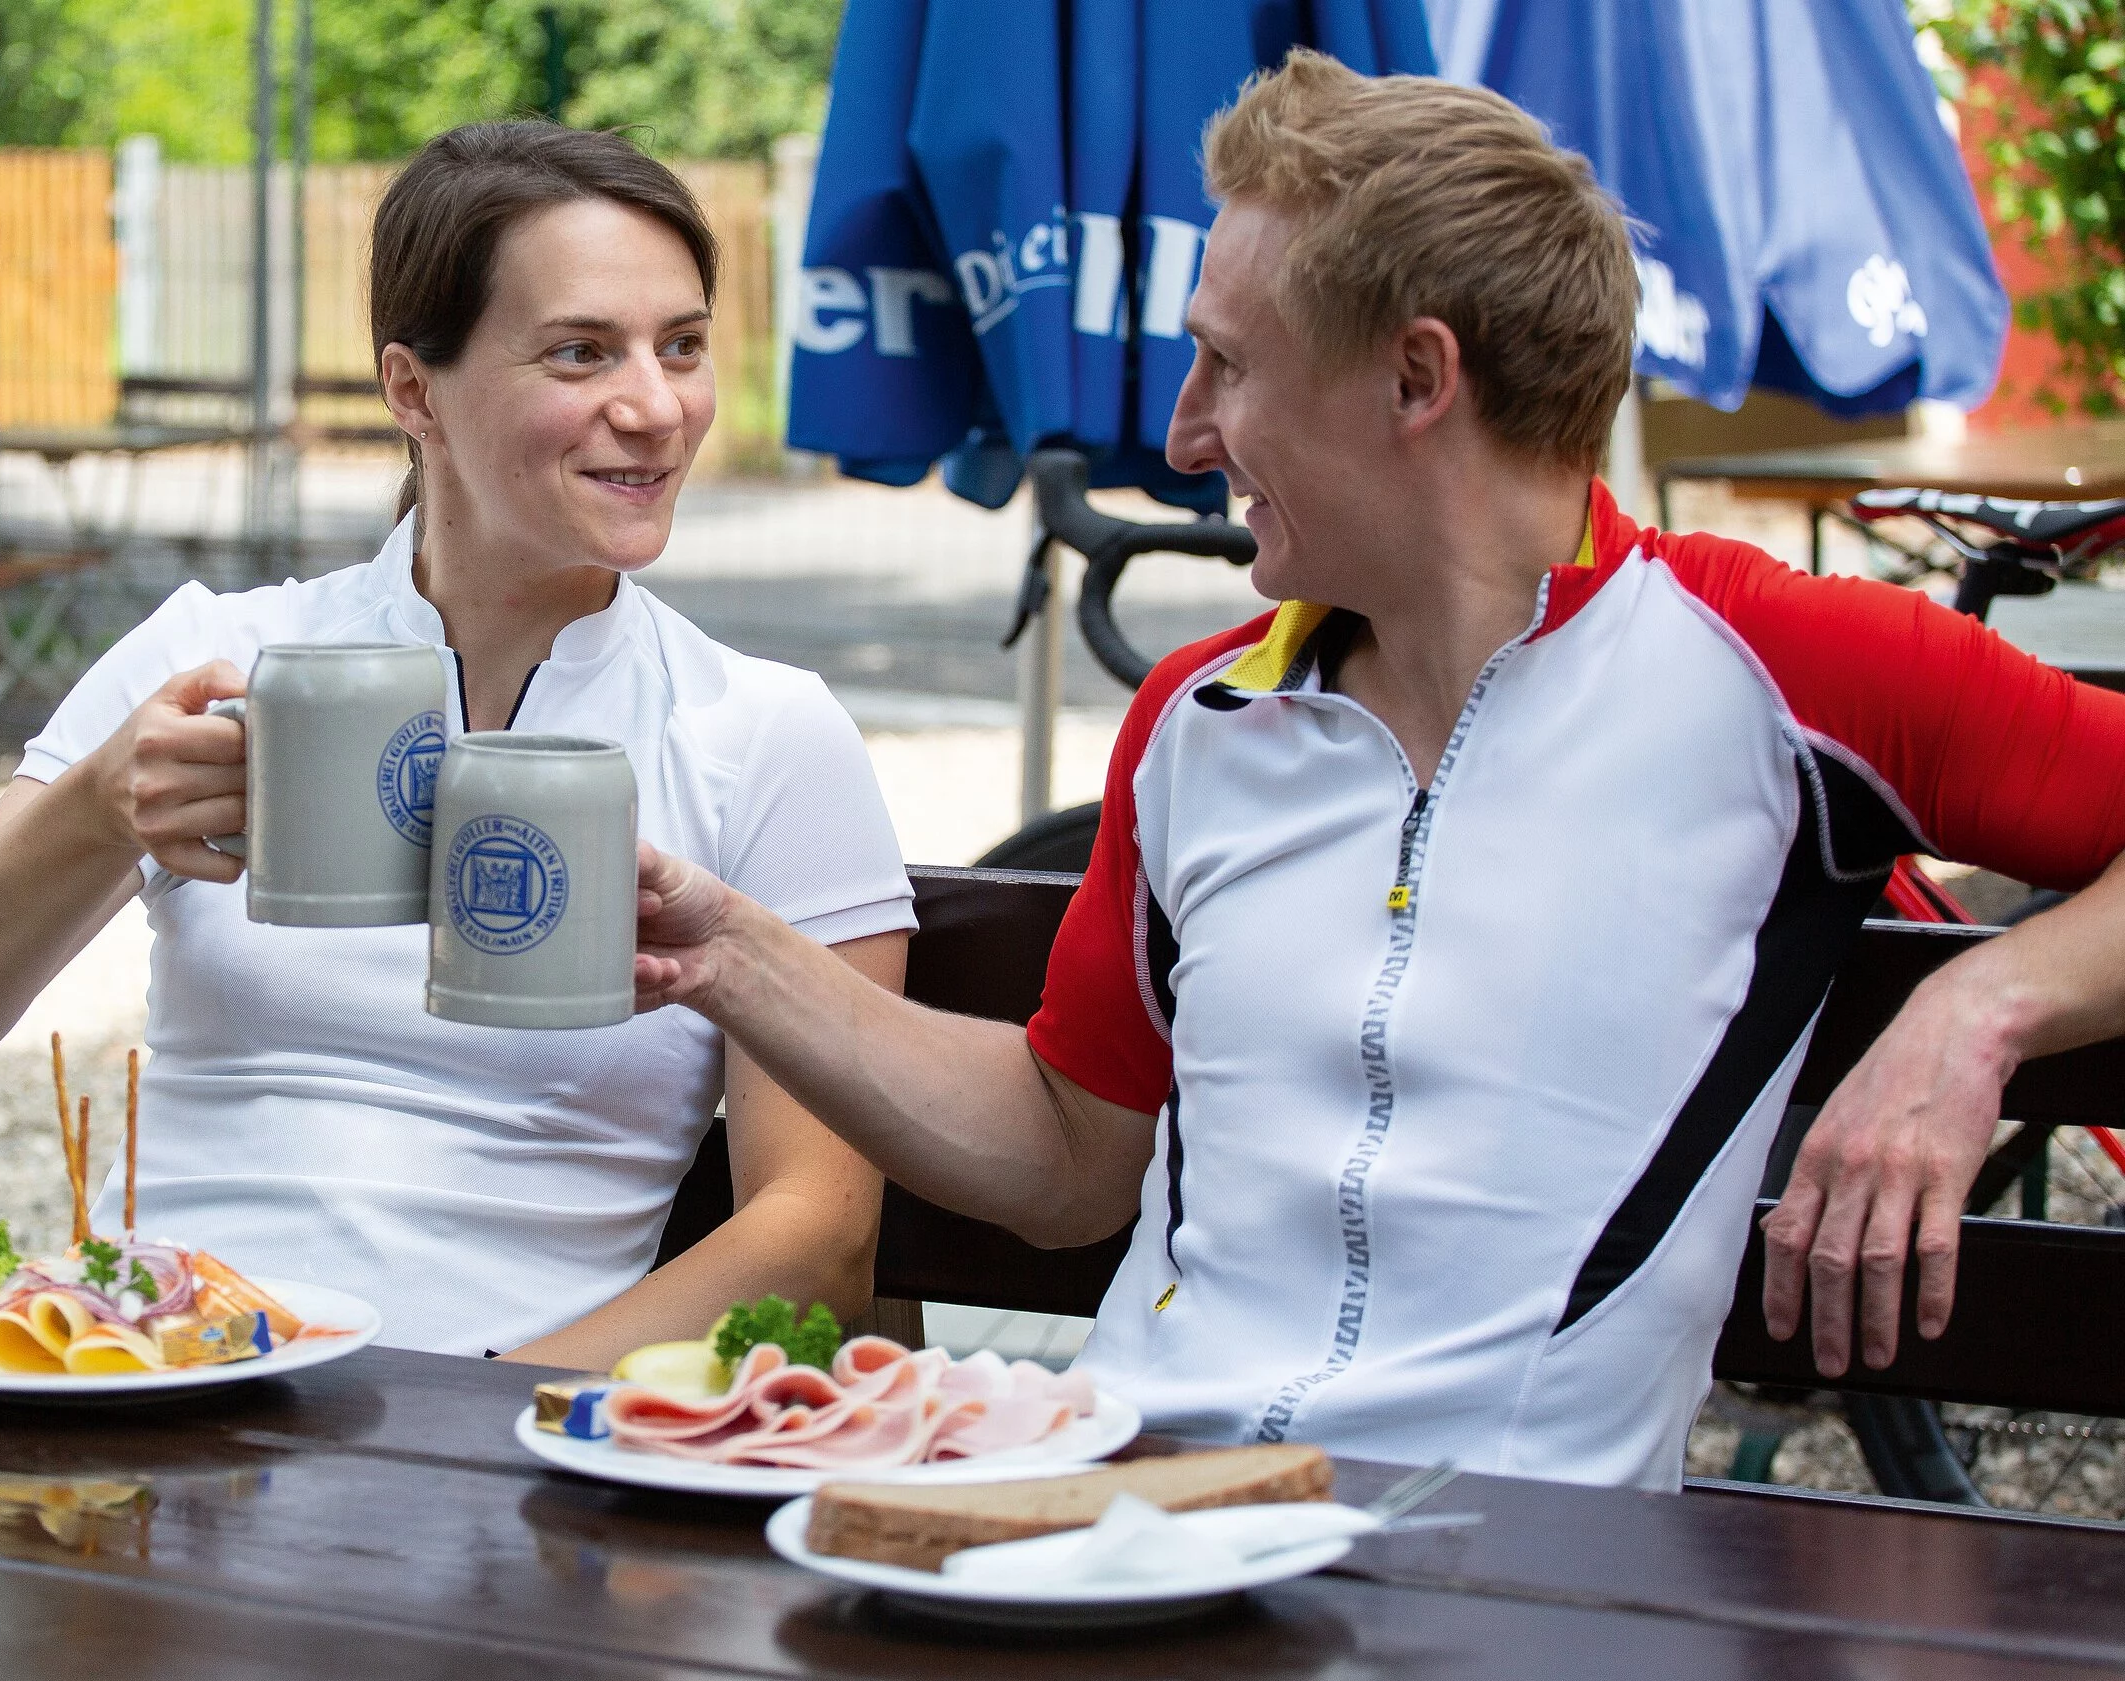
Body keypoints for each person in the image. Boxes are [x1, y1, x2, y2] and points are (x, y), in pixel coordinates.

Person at [627, 54, 2125, 1489]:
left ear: (1418, 379)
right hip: (1120, 1516)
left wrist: (1975, 1008)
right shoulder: (1198, 716)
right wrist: (731, 950)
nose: (1184, 430)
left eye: (1228, 363)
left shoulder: (1789, 673)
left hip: (1511, 1568)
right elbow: (1072, 1153)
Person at [0, 122, 915, 1366]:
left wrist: (468, 1428)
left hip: (506, 1451)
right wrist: (94, 814)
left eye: (681, 346)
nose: (657, 407)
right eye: (581, 352)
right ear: (413, 390)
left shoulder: (762, 732)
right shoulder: (218, 658)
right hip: (158, 1389)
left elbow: (818, 1238)